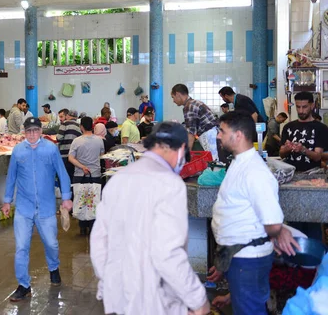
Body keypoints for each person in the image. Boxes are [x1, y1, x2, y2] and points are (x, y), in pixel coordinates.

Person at [90, 122, 210, 315]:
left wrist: (109, 282)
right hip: (154, 300)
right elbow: (168, 253)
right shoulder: (170, 184)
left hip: (118, 298)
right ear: (180, 149)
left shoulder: (118, 180)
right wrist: (197, 299)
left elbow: (98, 241)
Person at [209, 111, 299, 315]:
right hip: (240, 257)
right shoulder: (240, 163)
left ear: (238, 135)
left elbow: (272, 219)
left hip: (248, 260)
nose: (218, 136)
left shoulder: (255, 172)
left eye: (222, 131)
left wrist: (279, 230)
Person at [2, 117, 73, 301]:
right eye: (29, 131)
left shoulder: (50, 149)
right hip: (24, 208)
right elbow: (11, 177)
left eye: (35, 130)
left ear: (41, 131)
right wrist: (7, 200)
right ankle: (23, 285)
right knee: (21, 247)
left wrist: (66, 197)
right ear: (24, 132)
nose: (32, 134)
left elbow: (62, 173)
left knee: (51, 243)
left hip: (46, 207)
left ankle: (53, 267)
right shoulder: (18, 151)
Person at [69, 117, 105, 235]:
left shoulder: (76, 141)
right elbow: (102, 155)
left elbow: (71, 158)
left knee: (81, 201)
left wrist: (82, 166)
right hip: (95, 175)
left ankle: (82, 227)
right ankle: (92, 226)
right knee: (94, 201)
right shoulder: (99, 140)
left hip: (80, 175)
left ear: (81, 127)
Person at [280, 92, 328, 172]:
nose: (301, 111)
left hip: (312, 175)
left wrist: (303, 150)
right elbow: (281, 154)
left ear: (312, 106)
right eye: (298, 107)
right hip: (290, 174)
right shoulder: (288, 127)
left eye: (304, 107)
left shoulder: (321, 128)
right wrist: (286, 149)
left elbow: (317, 156)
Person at [171, 83, 221, 160]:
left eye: (173, 97)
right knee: (215, 162)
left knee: (214, 163)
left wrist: (187, 156)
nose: (173, 101)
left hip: (209, 135)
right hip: (214, 133)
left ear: (178, 94)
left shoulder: (189, 106)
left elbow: (191, 133)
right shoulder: (194, 103)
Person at [56, 109, 82, 180]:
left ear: (67, 116)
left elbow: (59, 138)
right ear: (76, 118)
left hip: (64, 155)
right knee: (71, 176)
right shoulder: (79, 126)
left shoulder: (64, 124)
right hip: (74, 157)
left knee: (63, 177)